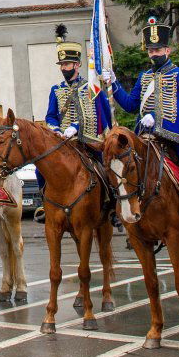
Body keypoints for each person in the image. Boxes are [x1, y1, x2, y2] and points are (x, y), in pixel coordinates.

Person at [107, 15, 179, 236]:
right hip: (145, 138)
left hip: (176, 137)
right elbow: (131, 105)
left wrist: (160, 119)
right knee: (122, 169)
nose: (155, 54)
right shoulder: (144, 78)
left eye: (159, 50)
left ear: (168, 51)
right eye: (151, 51)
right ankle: (123, 212)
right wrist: (113, 83)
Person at [34, 25, 113, 222]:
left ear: (77, 65)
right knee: (40, 168)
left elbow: (99, 115)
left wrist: (75, 127)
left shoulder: (91, 88)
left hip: (87, 140)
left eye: (67, 65)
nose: (63, 69)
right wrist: (57, 130)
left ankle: (112, 204)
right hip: (62, 142)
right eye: (61, 65)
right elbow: (51, 116)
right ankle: (46, 205)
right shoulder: (56, 90)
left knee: (105, 167)